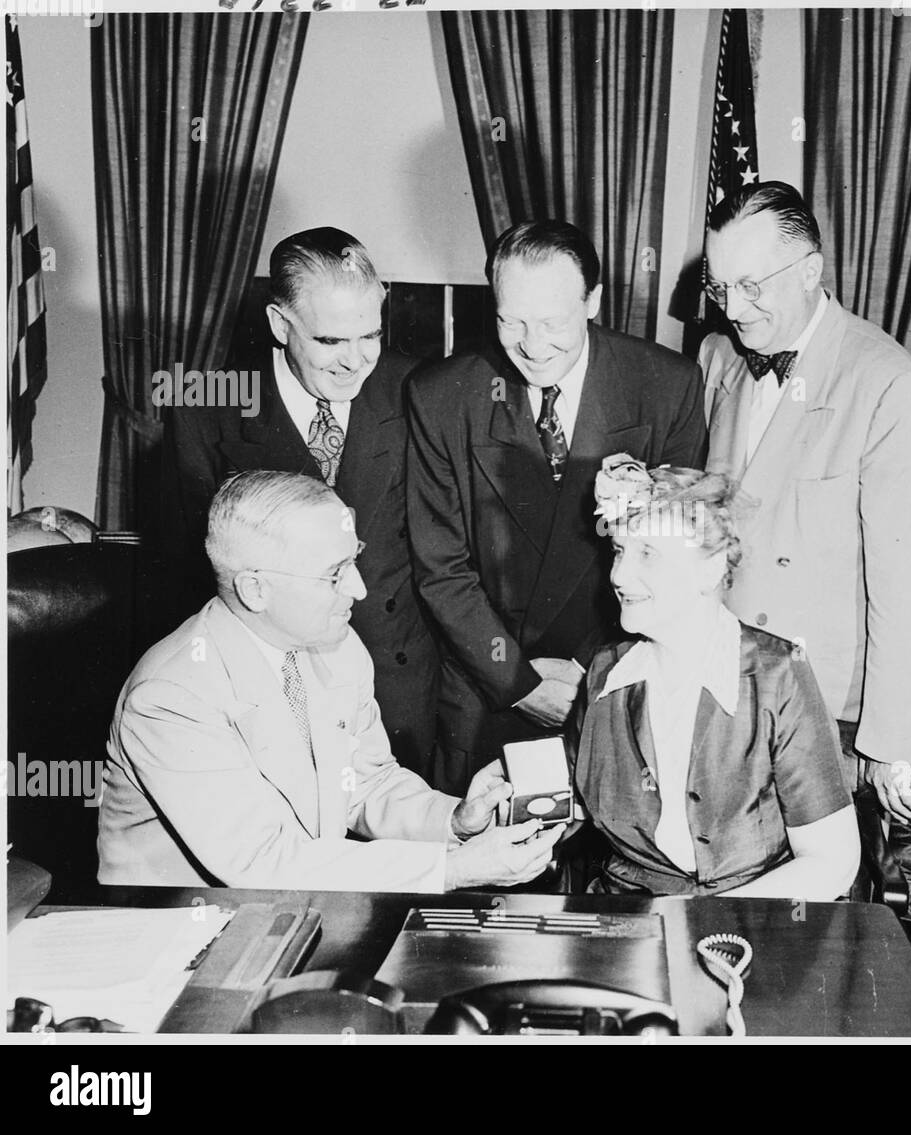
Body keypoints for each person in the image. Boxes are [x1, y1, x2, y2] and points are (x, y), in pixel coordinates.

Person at [98, 471, 562, 891]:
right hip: (179, 928)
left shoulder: (335, 645)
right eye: (333, 574)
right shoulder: (172, 696)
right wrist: (453, 868)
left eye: (353, 561)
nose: (359, 589)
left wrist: (453, 820)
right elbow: (263, 862)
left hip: (297, 904)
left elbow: (365, 785)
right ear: (255, 589)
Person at [407, 219, 707, 794]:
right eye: (510, 320)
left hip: (617, 681)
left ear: (592, 300)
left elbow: (673, 562)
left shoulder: (666, 386)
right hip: (486, 690)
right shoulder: (443, 394)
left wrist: (593, 669)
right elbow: (440, 567)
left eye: (552, 322)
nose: (532, 345)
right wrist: (518, 681)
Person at [699, 182, 911, 825]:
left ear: (812, 271)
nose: (734, 307)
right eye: (720, 286)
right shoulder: (717, 359)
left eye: (752, 285)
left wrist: (889, 740)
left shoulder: (888, 383)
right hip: (718, 690)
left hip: (824, 712)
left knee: (818, 913)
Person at [163, 227, 440, 781]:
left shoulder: (420, 391)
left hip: (397, 687)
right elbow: (189, 577)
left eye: (370, 336)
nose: (356, 362)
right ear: (278, 323)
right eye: (330, 342)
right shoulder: (206, 412)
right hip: (270, 692)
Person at [572, 455, 859, 899]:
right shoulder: (605, 675)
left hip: (753, 925)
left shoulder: (778, 673)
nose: (619, 575)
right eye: (620, 551)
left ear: (711, 568)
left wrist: (701, 927)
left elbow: (832, 862)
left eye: (648, 554)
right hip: (625, 926)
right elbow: (570, 796)